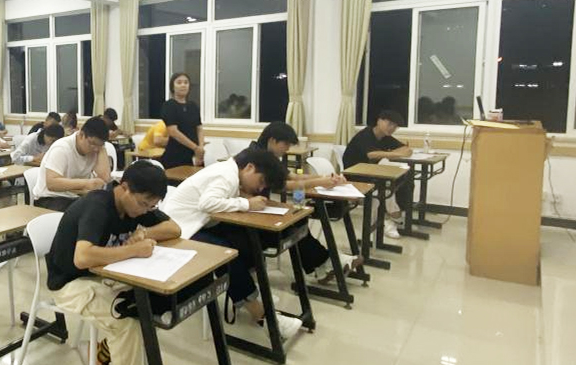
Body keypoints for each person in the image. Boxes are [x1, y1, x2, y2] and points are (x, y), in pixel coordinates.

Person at [47, 160, 182, 365]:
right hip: (70, 283)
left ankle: (102, 353)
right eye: (143, 204)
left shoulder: (135, 206)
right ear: (125, 187)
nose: (145, 211)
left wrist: (144, 232)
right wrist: (133, 250)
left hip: (102, 276)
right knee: (126, 319)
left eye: (151, 207)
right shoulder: (98, 205)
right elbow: (82, 257)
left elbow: (174, 229)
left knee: (148, 303)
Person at [160, 147, 302, 337]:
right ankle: (263, 316)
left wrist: (244, 198)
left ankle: (249, 294)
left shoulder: (231, 173)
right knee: (225, 255)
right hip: (180, 231)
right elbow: (207, 203)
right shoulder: (226, 175)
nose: (261, 188)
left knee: (243, 240)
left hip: (200, 223)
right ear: (249, 167)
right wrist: (247, 203)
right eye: (261, 181)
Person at [252, 122, 361, 280]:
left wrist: (326, 177)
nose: (287, 149)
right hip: (253, 210)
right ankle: (325, 264)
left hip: (263, 205)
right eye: (285, 144)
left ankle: (323, 264)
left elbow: (293, 176)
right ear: (273, 140)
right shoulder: (257, 157)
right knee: (294, 225)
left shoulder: (268, 156)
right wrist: (320, 182)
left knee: (299, 219)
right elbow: (284, 185)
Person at [343, 110, 413, 239]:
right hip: (354, 175)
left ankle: (392, 218)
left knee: (404, 180)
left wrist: (398, 152)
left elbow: (406, 149)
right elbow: (371, 154)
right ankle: (393, 217)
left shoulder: (385, 137)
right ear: (379, 121)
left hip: (370, 173)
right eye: (390, 124)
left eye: (395, 126)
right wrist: (395, 154)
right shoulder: (365, 134)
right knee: (387, 186)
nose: (392, 128)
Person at [33, 116, 112, 212]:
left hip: (75, 196)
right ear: (81, 135)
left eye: (99, 145)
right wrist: (86, 184)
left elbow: (104, 178)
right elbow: (52, 184)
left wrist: (102, 149)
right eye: (92, 143)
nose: (95, 148)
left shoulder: (96, 150)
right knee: (87, 214)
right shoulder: (62, 148)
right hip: (50, 198)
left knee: (106, 210)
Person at [159, 72, 204, 169]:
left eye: (186, 82)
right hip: (176, 155)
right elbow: (173, 131)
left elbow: (199, 128)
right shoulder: (169, 105)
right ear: (173, 87)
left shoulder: (193, 106)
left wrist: (200, 148)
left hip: (195, 154)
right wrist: (195, 148)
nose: (183, 85)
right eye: (179, 82)